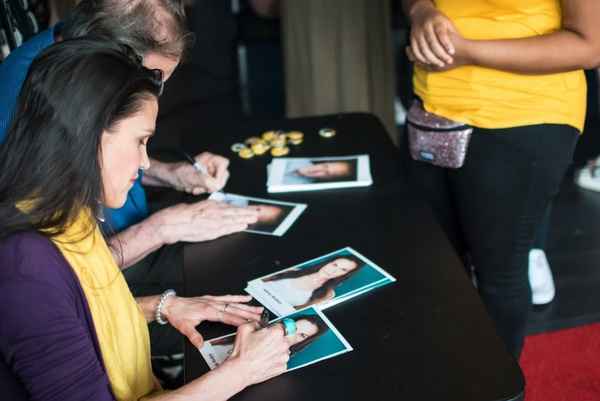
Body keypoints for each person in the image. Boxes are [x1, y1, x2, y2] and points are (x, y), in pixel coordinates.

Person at [0, 37, 291, 400]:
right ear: (85, 134)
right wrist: (240, 372)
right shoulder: (25, 268)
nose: (145, 162)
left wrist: (161, 306)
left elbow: (80, 318)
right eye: (139, 140)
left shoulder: (62, 212)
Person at [400, 0, 600, 359]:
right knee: (439, 266)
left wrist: (470, 52)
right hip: (432, 104)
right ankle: (450, 375)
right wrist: (421, 11)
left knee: (498, 275)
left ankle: (499, 390)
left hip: (522, 116)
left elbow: (590, 44)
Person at [263, 255, 365, 309]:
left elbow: (294, 312)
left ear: (346, 274)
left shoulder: (327, 294)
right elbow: (257, 280)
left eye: (343, 270)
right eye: (334, 265)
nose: (333, 270)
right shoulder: (292, 270)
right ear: (327, 263)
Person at [210, 314, 329, 360]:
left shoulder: (279, 361)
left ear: (306, 341)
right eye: (293, 328)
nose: (291, 335)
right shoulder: (248, 333)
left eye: (302, 335)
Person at [283, 159, 357, 185]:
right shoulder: (299, 160)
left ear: (327, 179)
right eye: (325, 166)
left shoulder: (300, 186)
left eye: (327, 173)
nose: (319, 170)